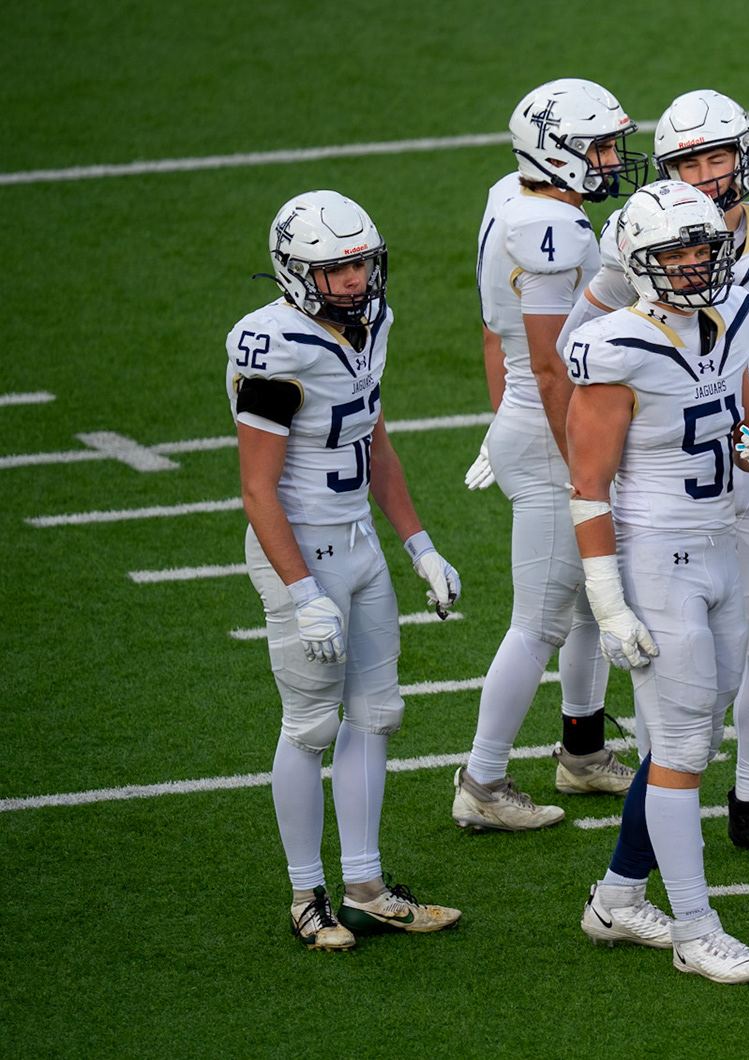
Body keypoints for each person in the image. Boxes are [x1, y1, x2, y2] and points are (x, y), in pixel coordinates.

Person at [558, 88, 749, 860]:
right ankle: (666, 792)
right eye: (686, 162)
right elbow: (577, 347)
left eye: (717, 156)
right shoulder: (642, 236)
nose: (705, 174)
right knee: (671, 650)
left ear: (745, 152)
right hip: (666, 479)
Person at [564, 180, 749, 984]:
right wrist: (608, 601)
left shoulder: (730, 317)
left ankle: (618, 896)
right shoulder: (614, 348)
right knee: (685, 748)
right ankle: (695, 929)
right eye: (677, 252)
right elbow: (587, 487)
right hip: (657, 556)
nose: (696, 263)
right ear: (637, 263)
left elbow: (743, 417)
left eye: (704, 247)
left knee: (682, 743)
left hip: (719, 545)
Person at [232, 190, 463, 950]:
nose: (357, 279)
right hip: (300, 550)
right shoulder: (272, 345)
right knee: (310, 726)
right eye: (337, 270)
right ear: (296, 274)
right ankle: (308, 895)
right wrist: (302, 592)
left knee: (378, 714)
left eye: (363, 263)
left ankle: (366, 886)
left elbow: (375, 441)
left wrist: (420, 545)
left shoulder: (371, 322)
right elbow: (258, 488)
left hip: (359, 543)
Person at [455, 78, 646, 832]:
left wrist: (501, 415)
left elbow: (493, 333)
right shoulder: (548, 228)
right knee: (538, 622)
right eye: (599, 148)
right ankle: (482, 780)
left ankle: (583, 753)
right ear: (555, 153)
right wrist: (582, 463)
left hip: (533, 424)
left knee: (592, 602)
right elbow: (548, 364)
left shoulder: (512, 197)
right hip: (551, 433)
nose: (611, 161)